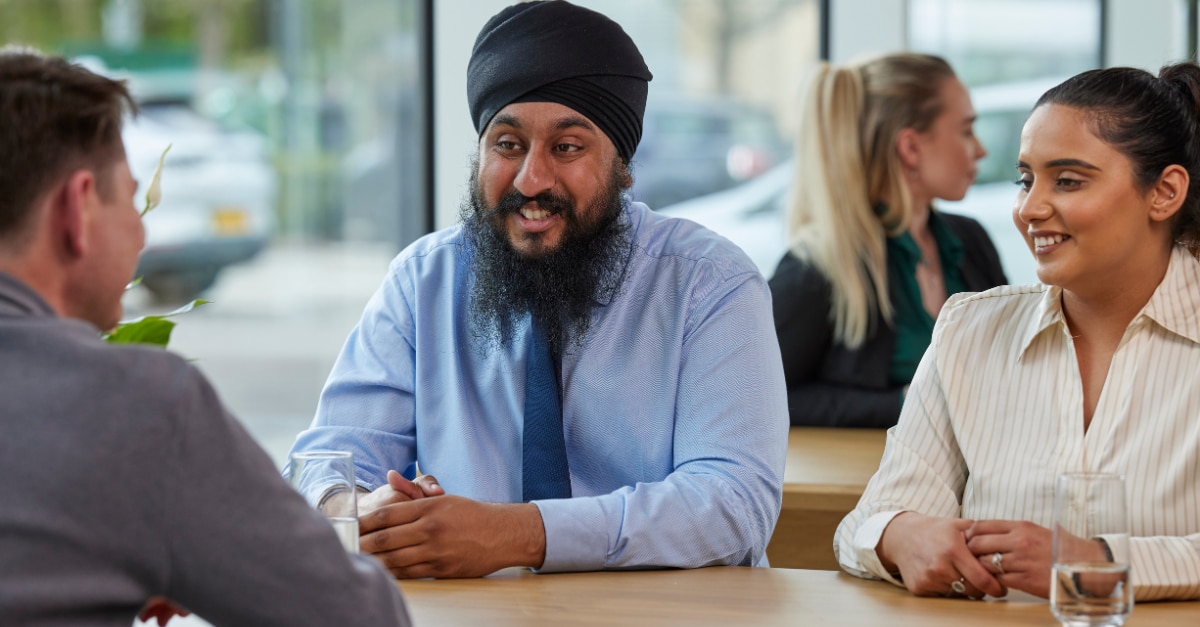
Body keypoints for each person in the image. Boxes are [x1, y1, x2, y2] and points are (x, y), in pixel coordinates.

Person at [288, 0, 788, 579]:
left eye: (567, 147)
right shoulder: (422, 281)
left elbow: (733, 505)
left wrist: (518, 535)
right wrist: (359, 512)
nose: (531, 179)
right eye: (507, 144)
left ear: (622, 165)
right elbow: (322, 465)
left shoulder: (709, 284)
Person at [0, 47, 410, 626]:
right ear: (77, 207)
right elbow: (360, 617)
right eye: (129, 197)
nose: (141, 229)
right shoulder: (138, 406)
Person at [835, 61, 1200, 602]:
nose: (1029, 208)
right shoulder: (968, 331)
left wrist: (1098, 562)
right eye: (1025, 179)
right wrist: (900, 536)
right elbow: (866, 523)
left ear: (1164, 192)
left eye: (1069, 180)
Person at [768, 53, 1007, 429]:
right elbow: (761, 395)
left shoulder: (970, 240)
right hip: (873, 481)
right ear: (911, 147)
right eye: (965, 130)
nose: (980, 149)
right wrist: (902, 402)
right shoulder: (816, 267)